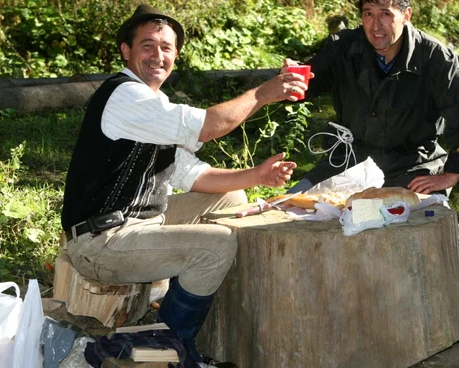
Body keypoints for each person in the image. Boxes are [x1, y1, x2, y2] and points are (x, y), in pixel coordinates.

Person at [61, 4, 309, 367]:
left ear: (175, 56)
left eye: (166, 48)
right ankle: (165, 346)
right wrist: (262, 93)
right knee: (216, 246)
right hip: (102, 244)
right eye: (147, 45)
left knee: (231, 197)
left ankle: (182, 300)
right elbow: (208, 126)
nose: (157, 55)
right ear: (125, 51)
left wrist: (258, 175)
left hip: (135, 225)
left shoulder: (154, 105)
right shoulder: (125, 96)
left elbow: (194, 176)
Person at [285, 0, 459, 350]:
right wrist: (293, 79)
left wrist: (451, 174)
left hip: (413, 163)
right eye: (368, 14)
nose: (375, 25)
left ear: (406, 15)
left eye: (385, 14)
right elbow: (308, 82)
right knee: (291, 209)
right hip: (350, 158)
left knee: (436, 227)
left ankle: (458, 335)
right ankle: (321, 331)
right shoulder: (343, 47)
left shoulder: (434, 56)